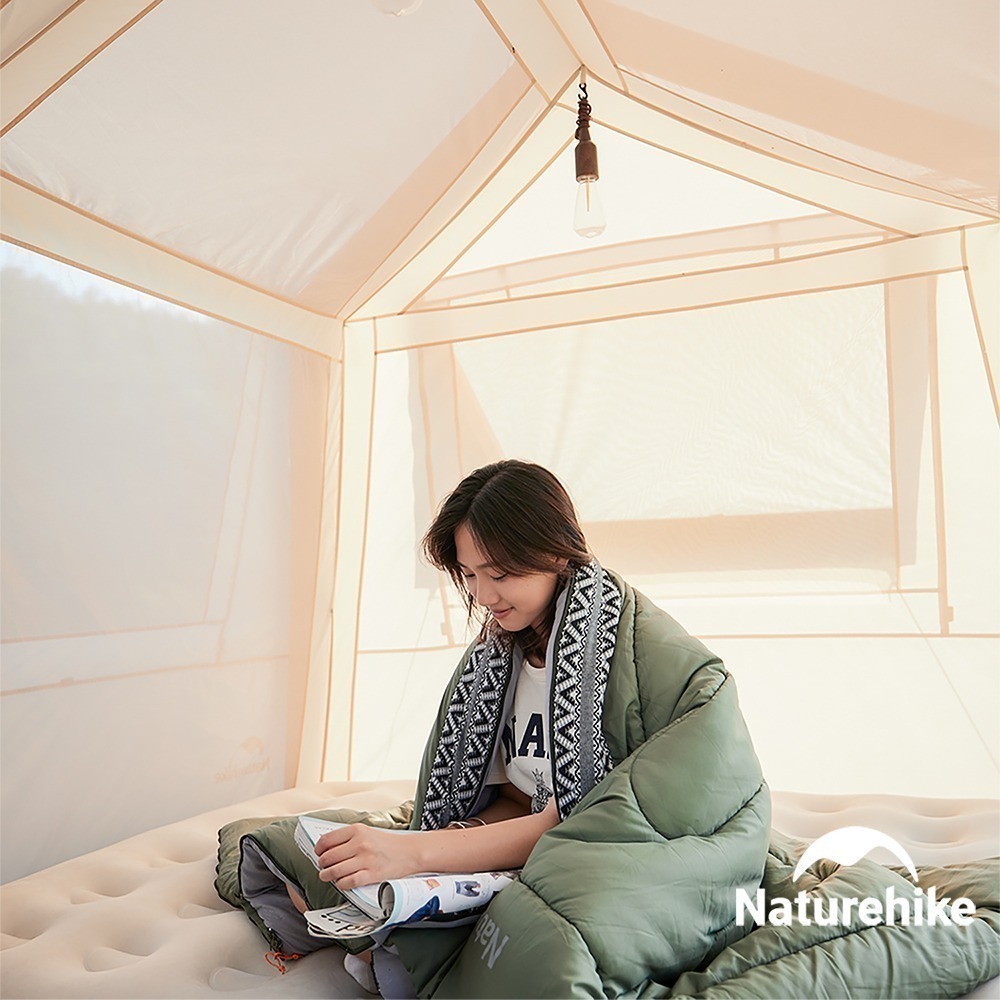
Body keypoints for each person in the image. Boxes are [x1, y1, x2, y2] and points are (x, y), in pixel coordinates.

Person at [227, 458, 769, 998]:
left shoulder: (639, 652)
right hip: (533, 843)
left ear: (555, 552)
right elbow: (517, 796)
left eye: (500, 574)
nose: (484, 596)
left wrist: (415, 853)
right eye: (469, 575)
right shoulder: (498, 656)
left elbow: (580, 823)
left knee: (550, 943)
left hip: (635, 851)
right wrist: (443, 842)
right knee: (315, 853)